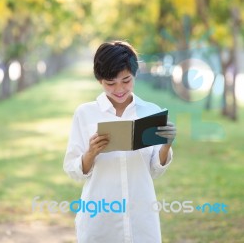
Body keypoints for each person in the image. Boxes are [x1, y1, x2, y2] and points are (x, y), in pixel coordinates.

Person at [63, 41, 177, 243]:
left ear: (134, 74)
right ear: (100, 80)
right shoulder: (85, 113)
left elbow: (155, 169)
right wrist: (91, 153)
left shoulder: (150, 111)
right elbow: (72, 170)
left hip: (141, 218)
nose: (119, 89)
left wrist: (166, 144)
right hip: (99, 218)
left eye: (126, 80)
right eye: (110, 83)